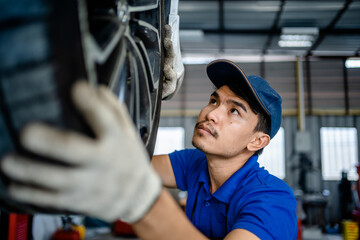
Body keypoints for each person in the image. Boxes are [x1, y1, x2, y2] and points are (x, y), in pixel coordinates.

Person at [1, 59, 298, 239]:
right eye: (214, 100)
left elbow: (134, 182)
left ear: (257, 141)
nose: (211, 113)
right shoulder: (197, 163)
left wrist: (142, 202)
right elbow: (127, 169)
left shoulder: (273, 199)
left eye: (235, 111)